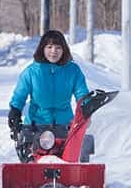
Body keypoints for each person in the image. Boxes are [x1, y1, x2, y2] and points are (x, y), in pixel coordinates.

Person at [8, 30, 92, 161]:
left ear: (64, 50)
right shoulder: (31, 72)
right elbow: (20, 94)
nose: (54, 51)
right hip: (35, 127)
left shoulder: (73, 71)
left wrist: (86, 109)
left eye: (58, 47)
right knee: (33, 164)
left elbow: (82, 94)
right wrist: (15, 111)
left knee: (71, 160)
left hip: (64, 127)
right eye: (49, 47)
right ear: (42, 49)